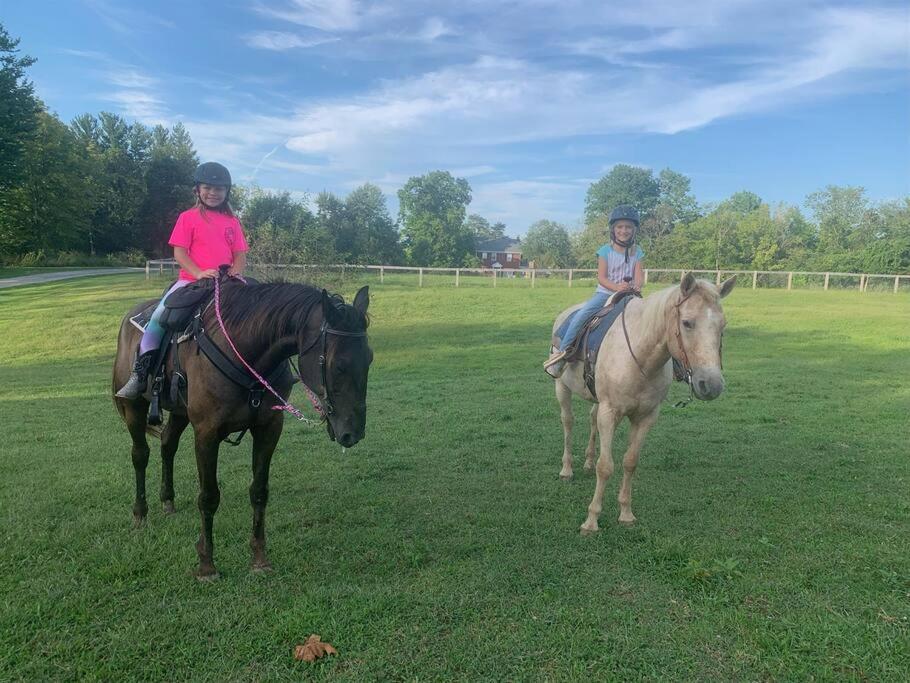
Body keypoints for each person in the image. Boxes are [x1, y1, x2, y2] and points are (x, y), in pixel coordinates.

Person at [116, 162, 249, 399]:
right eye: (208, 187)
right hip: (191, 281)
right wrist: (198, 273)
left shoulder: (233, 222)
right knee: (158, 317)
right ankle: (140, 373)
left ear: (227, 192)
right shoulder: (187, 218)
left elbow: (239, 254)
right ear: (197, 190)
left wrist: (236, 274)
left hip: (228, 283)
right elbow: (180, 253)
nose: (213, 193)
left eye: (219, 189)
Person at [543, 205, 644, 378]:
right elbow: (602, 277)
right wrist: (617, 287)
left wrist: (637, 286)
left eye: (628, 227)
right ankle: (562, 355)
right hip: (605, 293)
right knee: (582, 315)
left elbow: (639, 276)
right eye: (620, 227)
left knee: (652, 318)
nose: (624, 230)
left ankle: (670, 364)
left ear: (634, 230)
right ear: (613, 229)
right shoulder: (605, 251)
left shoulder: (638, 252)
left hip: (629, 296)